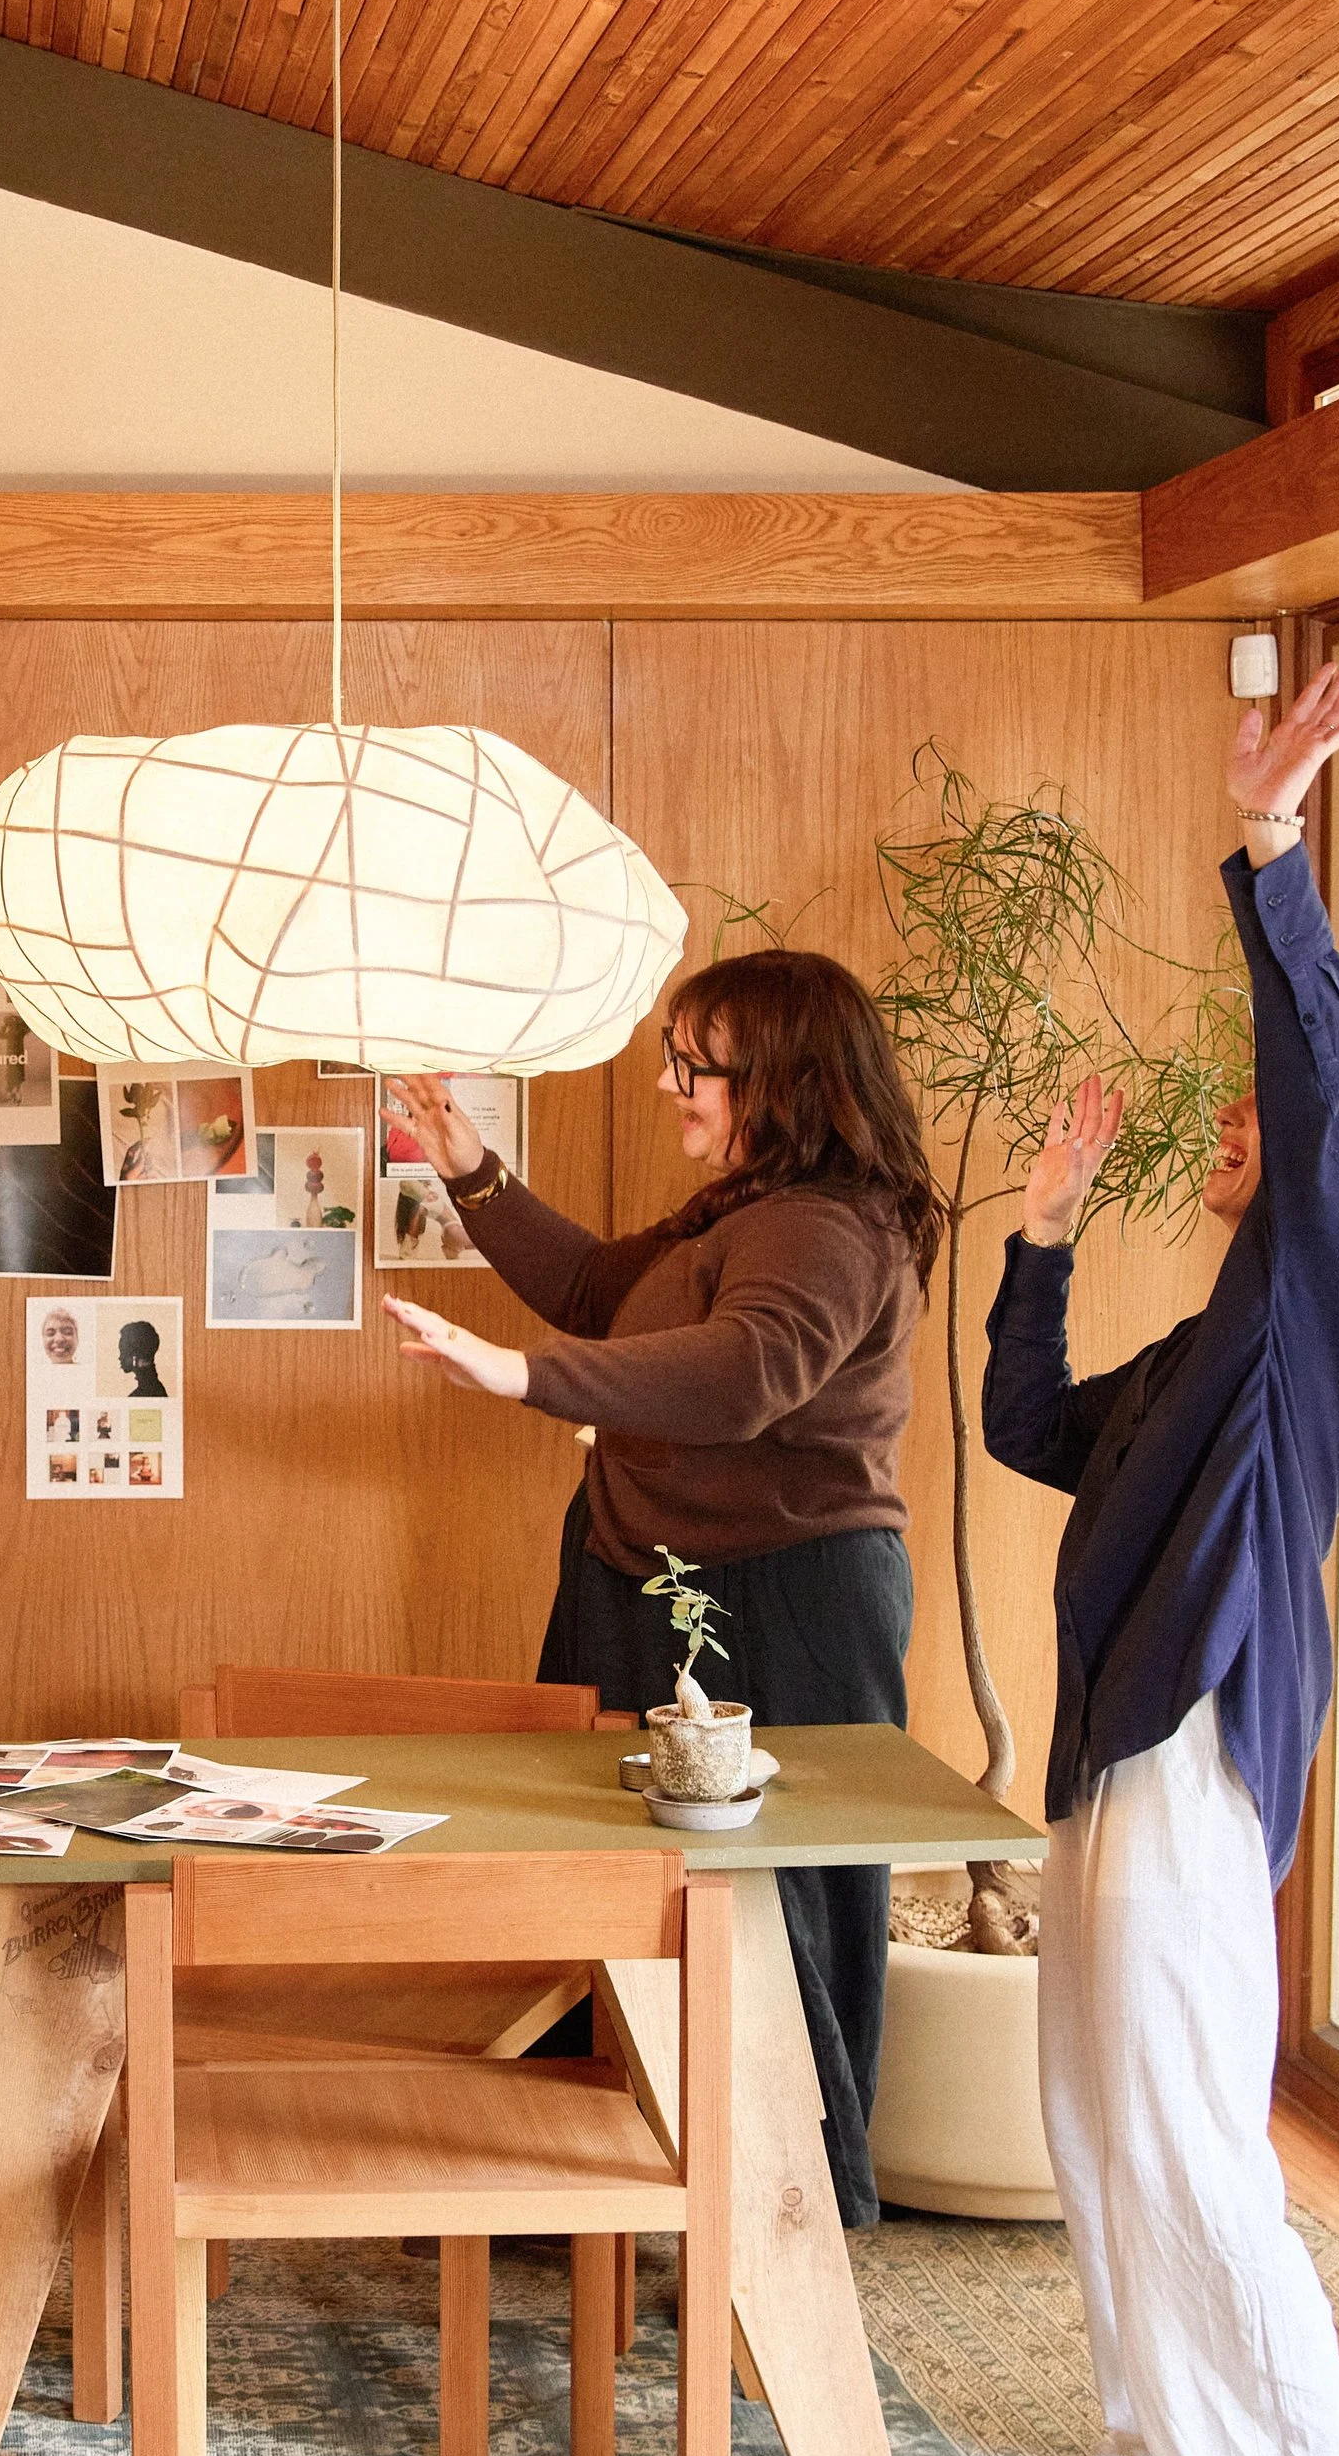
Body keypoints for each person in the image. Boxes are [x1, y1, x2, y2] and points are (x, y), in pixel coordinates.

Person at [984, 664, 1339, 2456]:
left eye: (1269, 1115)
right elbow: (1015, 1423)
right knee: (1096, 2124)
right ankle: (1154, 2432)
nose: (1231, 1119)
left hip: (1176, 1762)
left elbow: (1321, 1084)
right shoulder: (1204, 1346)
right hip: (1112, 1765)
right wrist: (1046, 1229)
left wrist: (1268, 843)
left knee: (1182, 2157)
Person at [386, 950, 940, 2228]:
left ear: (781, 1079)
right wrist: (471, 1165)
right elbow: (600, 1296)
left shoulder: (826, 1225)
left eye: (692, 1063)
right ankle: (592, 2182)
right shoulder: (736, 1209)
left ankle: (795, 2207)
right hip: (650, 1578)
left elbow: (742, 1373)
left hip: (783, 1600)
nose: (667, 1082)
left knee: (777, 1909)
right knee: (606, 1878)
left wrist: (526, 1380)